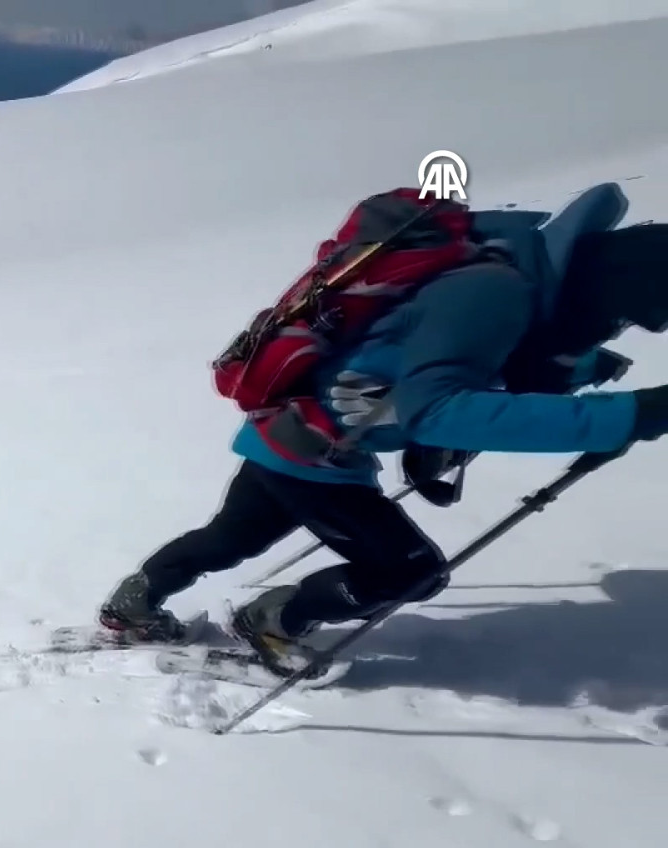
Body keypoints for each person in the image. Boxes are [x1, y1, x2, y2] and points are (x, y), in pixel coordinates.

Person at [96, 182, 668, 669]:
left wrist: (588, 368)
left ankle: (135, 602)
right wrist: (626, 416)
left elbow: (452, 357)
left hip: (287, 432)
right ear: (606, 290)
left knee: (231, 537)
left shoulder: (505, 270)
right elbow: (437, 408)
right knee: (409, 571)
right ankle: (274, 618)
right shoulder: (493, 292)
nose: (615, 327)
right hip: (319, 455)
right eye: (623, 316)